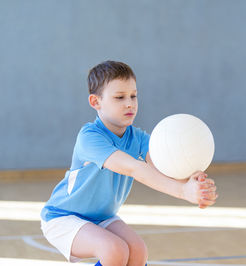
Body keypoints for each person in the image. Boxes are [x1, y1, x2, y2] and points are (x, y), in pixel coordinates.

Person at [40, 60, 218, 266]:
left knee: (138, 252)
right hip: (63, 217)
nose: (129, 103)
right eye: (119, 97)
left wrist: (193, 183)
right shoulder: (90, 137)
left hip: (102, 216)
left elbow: (164, 167)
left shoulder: (138, 138)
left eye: (133, 96)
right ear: (95, 102)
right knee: (114, 250)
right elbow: (134, 168)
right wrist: (182, 192)